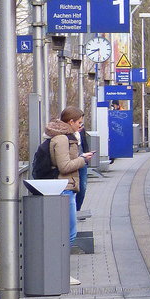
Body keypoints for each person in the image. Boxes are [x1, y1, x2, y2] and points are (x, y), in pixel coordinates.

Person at [47, 106, 95, 286]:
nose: (81, 127)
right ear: (70, 122)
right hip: (64, 188)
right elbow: (64, 166)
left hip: (67, 188)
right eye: (79, 123)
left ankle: (60, 271)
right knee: (69, 233)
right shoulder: (61, 139)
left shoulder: (66, 138)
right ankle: (59, 272)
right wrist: (83, 160)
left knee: (68, 232)